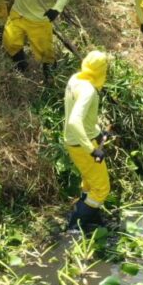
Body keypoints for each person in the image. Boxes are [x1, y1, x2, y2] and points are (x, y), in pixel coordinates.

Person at [64, 50, 112, 231]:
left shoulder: (75, 79)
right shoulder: (89, 91)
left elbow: (82, 117)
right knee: (102, 188)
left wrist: (99, 133)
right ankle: (75, 225)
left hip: (73, 141)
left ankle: (92, 216)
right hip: (82, 144)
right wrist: (92, 149)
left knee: (90, 182)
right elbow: (75, 120)